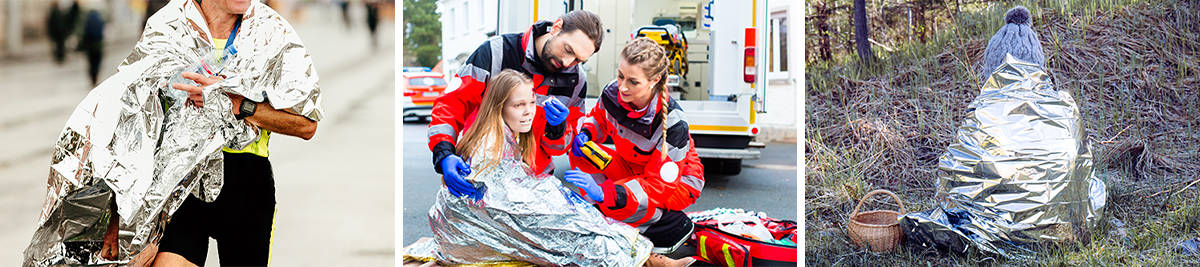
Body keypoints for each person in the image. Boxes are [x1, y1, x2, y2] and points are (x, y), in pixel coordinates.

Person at [425, 69, 693, 267]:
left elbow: (527, 173)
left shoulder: (506, 134)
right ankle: (650, 261)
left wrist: (559, 194)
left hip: (479, 226)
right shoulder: (490, 142)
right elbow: (500, 202)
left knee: (580, 214)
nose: (530, 111)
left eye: (531, 102)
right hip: (470, 236)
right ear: (499, 107)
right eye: (519, 105)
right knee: (574, 228)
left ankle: (648, 258)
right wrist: (555, 198)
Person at [149, 0, 321, 266]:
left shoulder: (274, 33)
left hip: (246, 184)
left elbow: (307, 125)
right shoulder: (169, 25)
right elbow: (133, 116)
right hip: (182, 180)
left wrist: (237, 104)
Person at [428, 10, 603, 201]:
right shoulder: (496, 53)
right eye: (568, 50)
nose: (567, 62)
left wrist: (557, 128)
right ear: (556, 27)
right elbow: (451, 105)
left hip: (534, 185)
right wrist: (444, 153)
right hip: (479, 177)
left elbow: (561, 147)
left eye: (578, 60)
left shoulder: (576, 80)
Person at [565, 37, 705, 253]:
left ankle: (669, 226)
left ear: (655, 80)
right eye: (620, 76)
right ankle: (606, 209)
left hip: (677, 184)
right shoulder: (612, 92)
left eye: (633, 81)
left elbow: (658, 185)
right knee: (583, 151)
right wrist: (586, 132)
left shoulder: (673, 125)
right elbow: (599, 119)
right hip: (633, 166)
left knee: (617, 201)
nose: (623, 87)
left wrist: (607, 193)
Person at [79, 9, 105, 86]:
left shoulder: (88, 22)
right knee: (97, 63)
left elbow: (85, 34)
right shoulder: (100, 20)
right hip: (98, 46)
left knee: (91, 63)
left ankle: (92, 79)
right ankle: (95, 77)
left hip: (90, 47)